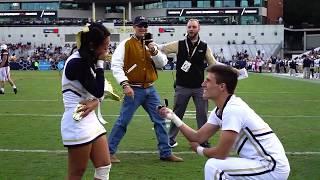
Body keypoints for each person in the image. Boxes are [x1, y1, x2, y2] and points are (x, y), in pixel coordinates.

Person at [158, 65, 290, 180]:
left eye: (208, 81)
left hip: (271, 166)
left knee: (214, 166)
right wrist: (173, 116)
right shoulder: (221, 109)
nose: (203, 84)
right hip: (258, 163)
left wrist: (199, 149)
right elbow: (197, 137)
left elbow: (221, 153)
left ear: (222, 86)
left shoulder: (233, 109)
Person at [158, 19, 247, 148]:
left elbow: (214, 64)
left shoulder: (204, 47)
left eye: (194, 27)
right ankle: (170, 138)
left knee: (202, 115)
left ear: (199, 29)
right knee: (177, 114)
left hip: (200, 87)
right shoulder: (179, 44)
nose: (191, 29)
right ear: (186, 28)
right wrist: (151, 46)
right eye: (189, 27)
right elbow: (162, 48)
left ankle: (203, 140)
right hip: (182, 86)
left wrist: (232, 71)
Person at [109, 16, 183, 163]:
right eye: (140, 26)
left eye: (145, 26)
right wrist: (125, 84)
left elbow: (162, 63)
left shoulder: (152, 45)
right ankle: (108, 152)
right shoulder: (126, 44)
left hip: (150, 88)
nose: (143, 28)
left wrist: (154, 51)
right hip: (133, 89)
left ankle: (165, 152)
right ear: (134, 27)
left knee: (160, 120)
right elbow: (116, 65)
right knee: (123, 121)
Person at [61, 23, 112, 180]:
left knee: (104, 167)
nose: (107, 50)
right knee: (76, 174)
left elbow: (103, 90)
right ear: (91, 45)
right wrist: (101, 64)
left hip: (90, 116)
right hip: (77, 118)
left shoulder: (87, 59)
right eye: (104, 46)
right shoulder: (77, 62)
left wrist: (96, 101)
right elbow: (98, 91)